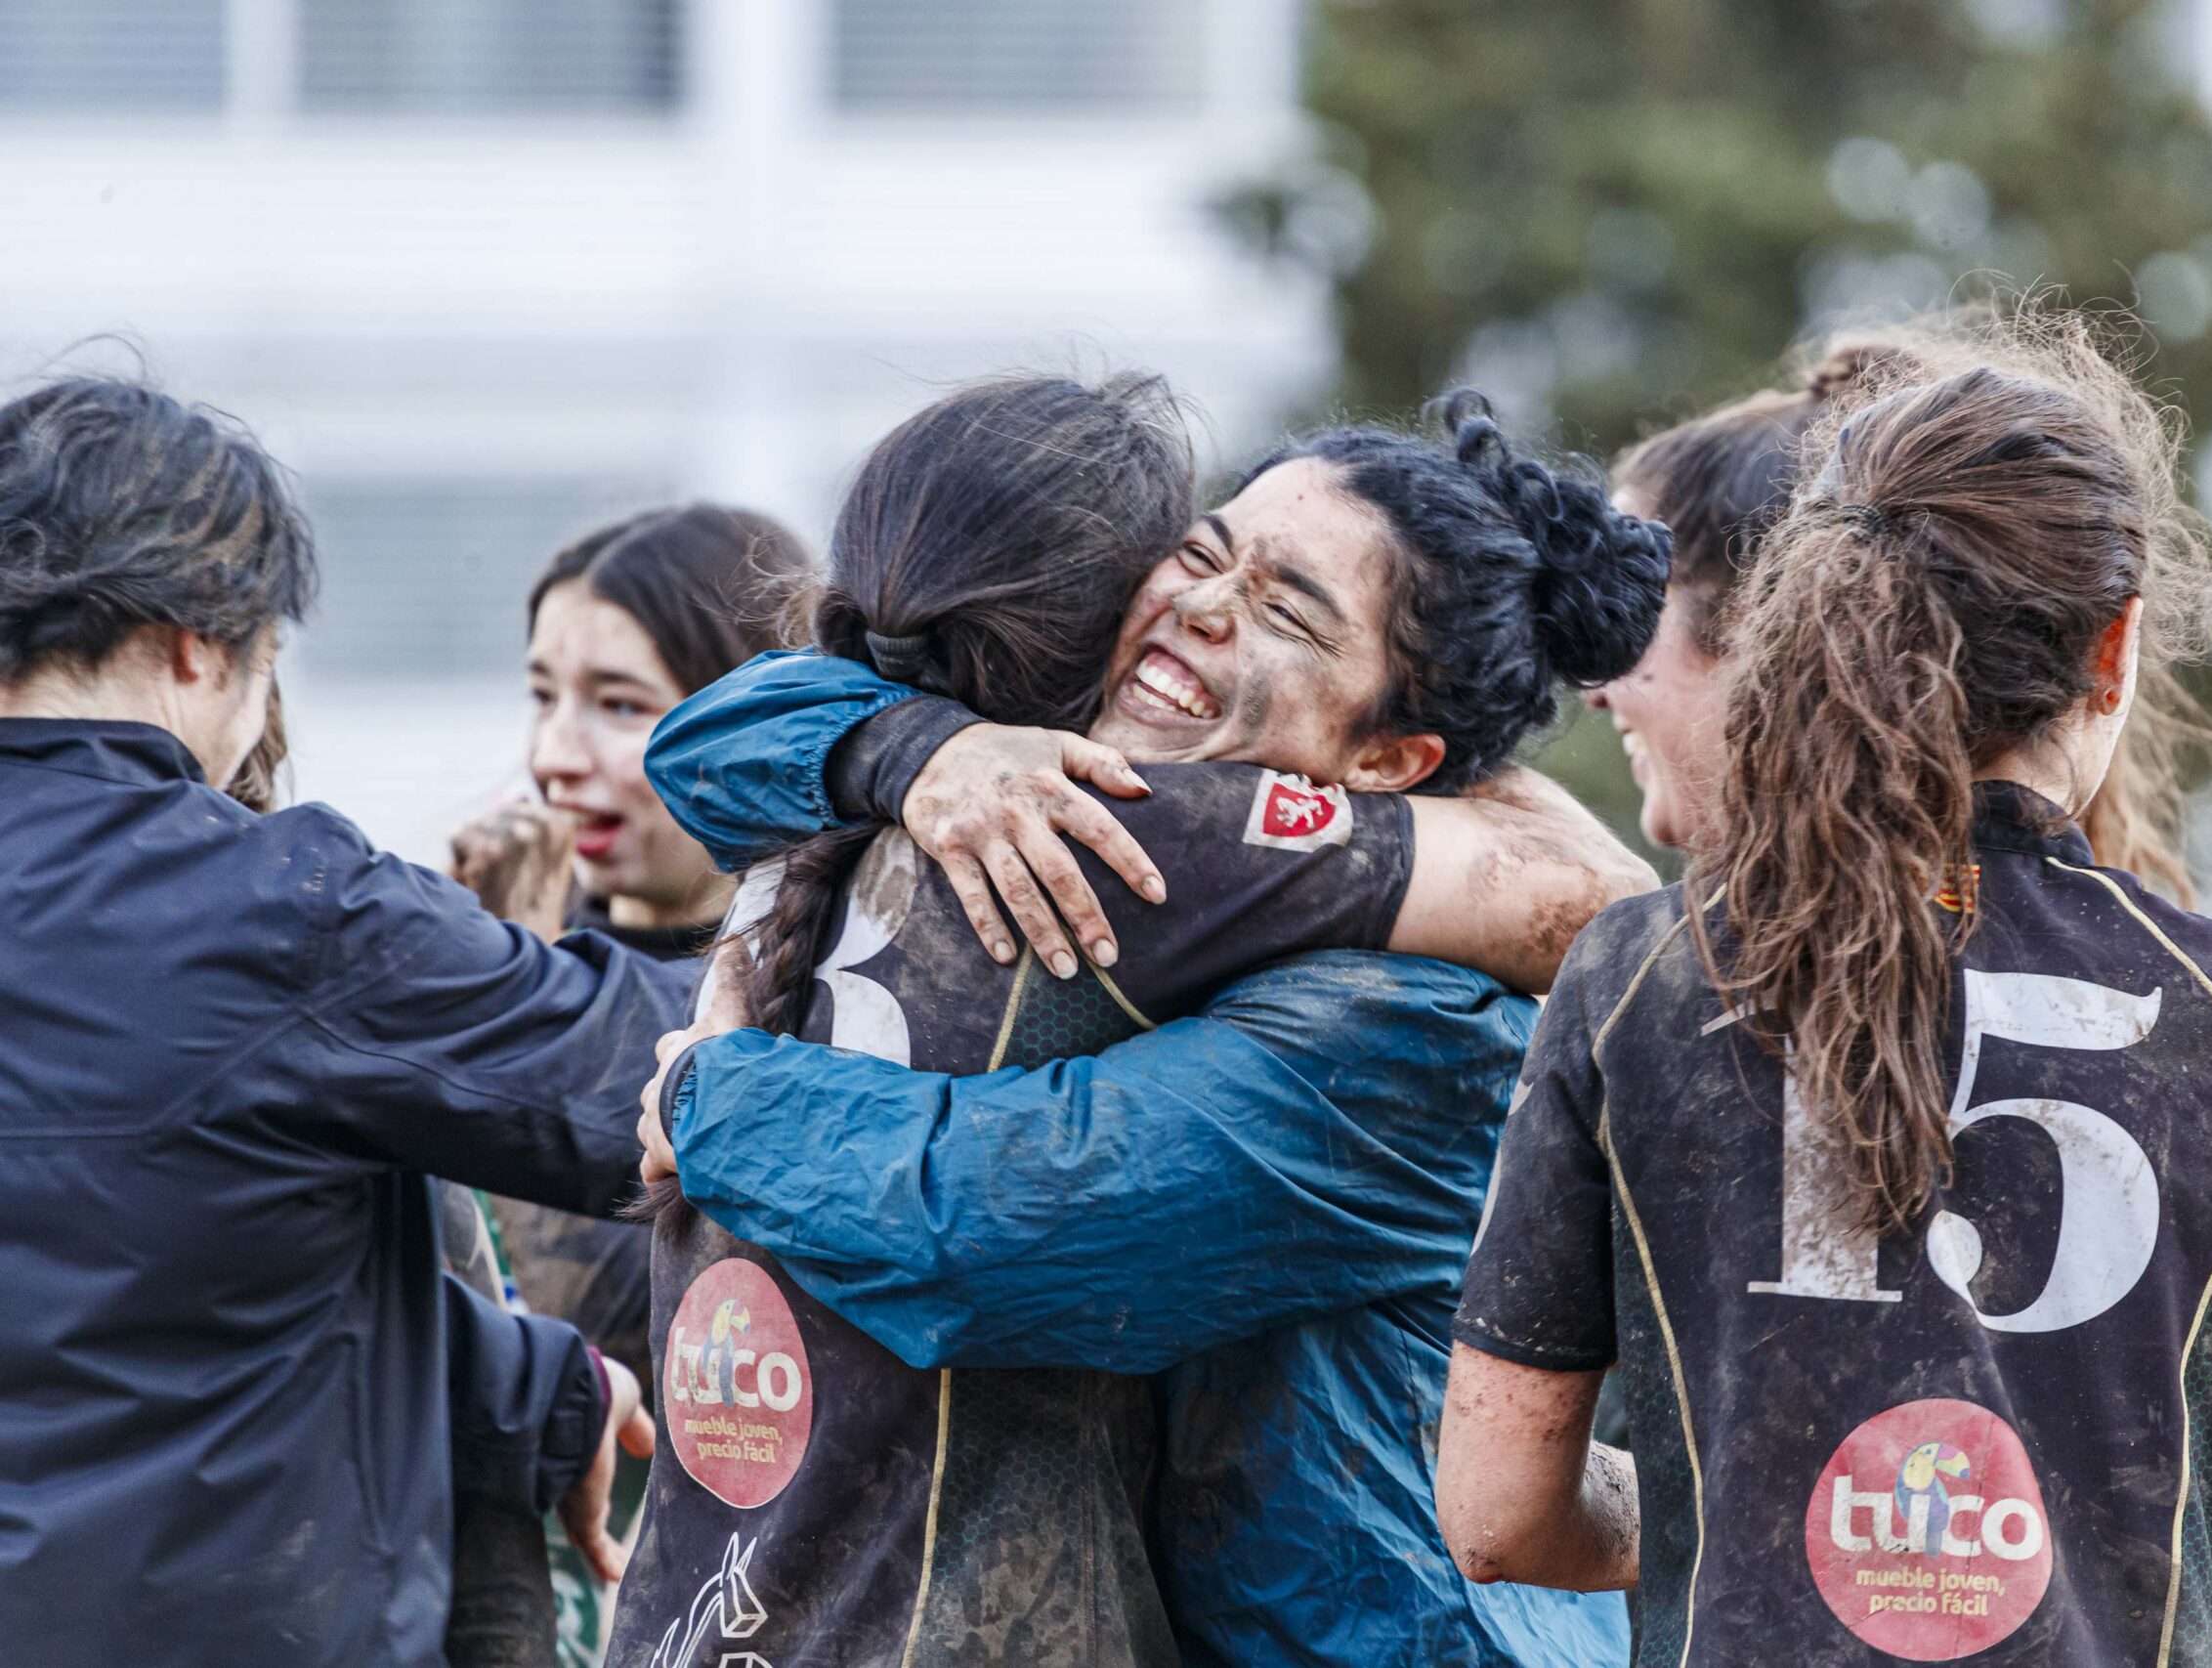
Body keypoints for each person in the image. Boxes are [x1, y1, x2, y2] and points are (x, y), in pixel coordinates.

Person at [1434, 316, 2212, 1665]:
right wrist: (2088, 1500)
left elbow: (1495, 1511)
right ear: (2113, 651)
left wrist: (1778, 1507)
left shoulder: (1636, 977)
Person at [617, 379, 1667, 1666]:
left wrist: (705, 1093)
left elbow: (1000, 1220)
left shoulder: (1402, 1023)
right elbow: (711, 743)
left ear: (1394, 761)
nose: (1205, 606)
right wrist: (915, 751)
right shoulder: (1091, 830)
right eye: (1205, 551)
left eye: (1286, 611)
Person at [0, 376, 688, 1668]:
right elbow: (651, 1082)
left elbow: (123, 1256)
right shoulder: (277, 906)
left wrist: (521, 1385)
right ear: (199, 641)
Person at [437, 502, 815, 1667]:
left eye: (619, 706)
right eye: (542, 695)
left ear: (746, 720)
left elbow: (616, 1326)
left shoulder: (815, 995)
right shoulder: (471, 938)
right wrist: (487, 973)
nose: (556, 753)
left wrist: (528, 991)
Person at [1597, 331, 2201, 896]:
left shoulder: (1635, 972)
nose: (1594, 685)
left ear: (1762, 619)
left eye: (1640, 595)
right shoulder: (2182, 974)